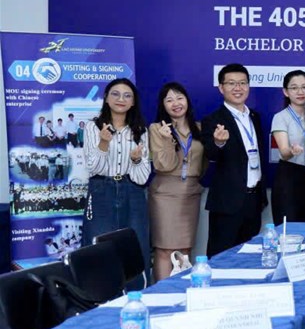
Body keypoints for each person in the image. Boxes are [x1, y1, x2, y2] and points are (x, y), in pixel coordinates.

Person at [81, 78, 151, 279]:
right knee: (98, 247)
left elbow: (142, 178)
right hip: (101, 189)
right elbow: (94, 168)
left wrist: (136, 160)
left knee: (136, 246)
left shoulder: (140, 130)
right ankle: (99, 295)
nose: (121, 99)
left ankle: (137, 292)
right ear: (106, 98)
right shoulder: (93, 127)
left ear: (133, 102)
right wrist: (103, 143)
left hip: (132, 190)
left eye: (127, 96)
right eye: (115, 94)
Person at [201, 64, 268, 257]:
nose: (238, 88)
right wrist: (219, 142)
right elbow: (211, 154)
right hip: (228, 201)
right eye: (231, 83)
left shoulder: (255, 117)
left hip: (253, 200)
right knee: (221, 257)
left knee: (248, 257)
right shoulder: (213, 119)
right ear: (221, 88)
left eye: (242, 83)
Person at [148, 82, 205, 281]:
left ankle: (182, 292)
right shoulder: (157, 128)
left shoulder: (199, 128)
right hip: (165, 194)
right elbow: (164, 164)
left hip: (191, 192)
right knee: (165, 249)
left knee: (186, 248)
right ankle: (161, 293)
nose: (176, 103)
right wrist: (166, 140)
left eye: (180, 98)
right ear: (163, 105)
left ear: (187, 101)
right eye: (169, 100)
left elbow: (204, 162)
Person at [270, 70, 305, 224]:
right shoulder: (280, 117)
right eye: (294, 88)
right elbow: (284, 152)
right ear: (286, 92)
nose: (300, 92)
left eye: (304, 87)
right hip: (289, 177)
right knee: (289, 228)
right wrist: (291, 151)